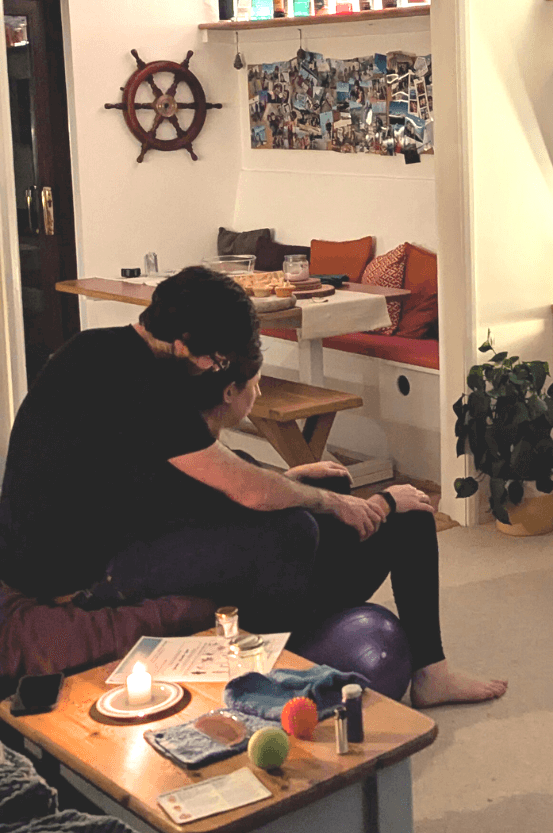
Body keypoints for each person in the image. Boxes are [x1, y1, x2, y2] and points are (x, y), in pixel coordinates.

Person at [0, 265, 505, 705]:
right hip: (78, 577)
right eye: (219, 359)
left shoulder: (100, 350)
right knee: (293, 529)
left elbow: (173, 483)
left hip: (116, 539)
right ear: (185, 346)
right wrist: (333, 503)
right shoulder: (143, 386)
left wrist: (291, 481)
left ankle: (430, 673)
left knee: (366, 511)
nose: (218, 367)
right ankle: (277, 661)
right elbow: (246, 492)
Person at [176, 353, 508, 707]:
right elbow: (274, 529)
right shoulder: (213, 461)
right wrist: (383, 503)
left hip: (260, 585)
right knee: (412, 517)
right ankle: (432, 674)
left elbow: (244, 502)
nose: (258, 393)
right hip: (269, 615)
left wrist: (291, 479)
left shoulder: (193, 451)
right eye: (255, 384)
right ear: (229, 392)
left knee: (332, 483)